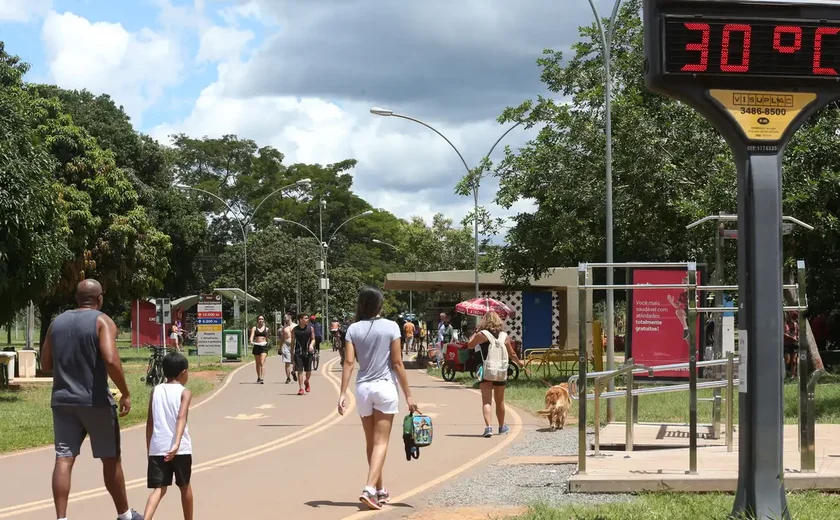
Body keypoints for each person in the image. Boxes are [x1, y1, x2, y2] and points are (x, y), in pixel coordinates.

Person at [40, 279, 144, 520]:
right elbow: (110, 358)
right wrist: (125, 392)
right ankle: (124, 514)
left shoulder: (57, 322)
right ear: (100, 298)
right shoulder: (102, 321)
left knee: (64, 459)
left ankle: (61, 518)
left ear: (77, 298)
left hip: (63, 401)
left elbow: (45, 364)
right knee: (110, 459)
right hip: (95, 401)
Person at [338, 286, 417, 511]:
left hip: (363, 389)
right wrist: (409, 395)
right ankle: (369, 489)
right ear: (380, 305)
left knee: (371, 442)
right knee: (381, 442)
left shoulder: (353, 329)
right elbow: (398, 363)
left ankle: (380, 490)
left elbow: (349, 363)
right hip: (384, 388)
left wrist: (342, 393)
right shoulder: (392, 326)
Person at [143, 353, 193, 520]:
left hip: (158, 448)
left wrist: (149, 448)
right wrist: (176, 443)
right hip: (180, 449)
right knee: (184, 486)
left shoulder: (155, 391)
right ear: (183, 372)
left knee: (159, 488)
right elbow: (181, 417)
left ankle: (146, 518)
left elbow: (150, 423)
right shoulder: (185, 392)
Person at [466, 311, 523, 437]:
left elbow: (470, 345)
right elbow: (512, 354)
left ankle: (488, 428)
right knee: (500, 401)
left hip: (486, 371)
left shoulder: (482, 335)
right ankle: (502, 427)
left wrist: (475, 332)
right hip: (501, 372)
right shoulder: (505, 336)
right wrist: (519, 363)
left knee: (486, 401)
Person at [293, 314, 316, 395]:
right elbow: (293, 342)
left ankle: (307, 381)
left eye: (307, 318)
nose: (307, 319)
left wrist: (311, 345)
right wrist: (291, 353)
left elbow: (313, 339)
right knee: (300, 370)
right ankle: (301, 388)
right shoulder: (295, 330)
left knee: (308, 370)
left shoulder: (310, 328)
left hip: (308, 352)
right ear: (300, 319)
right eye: (305, 318)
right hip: (298, 352)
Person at [249, 316, 270, 384]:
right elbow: (252, 336)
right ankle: (259, 376)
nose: (261, 320)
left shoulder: (266, 329)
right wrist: (251, 341)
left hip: (264, 346)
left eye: (262, 319)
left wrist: (267, 343)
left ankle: (262, 378)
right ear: (257, 320)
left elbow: (267, 338)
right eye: (259, 319)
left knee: (262, 362)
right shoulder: (254, 328)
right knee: (258, 363)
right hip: (257, 345)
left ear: (264, 320)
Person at [279, 314, 295, 384]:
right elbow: (282, 338)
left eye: (285, 317)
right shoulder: (284, 327)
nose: (284, 318)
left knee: (295, 361)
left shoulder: (295, 326)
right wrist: (280, 347)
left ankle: (293, 372)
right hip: (286, 345)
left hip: (295, 345)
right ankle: (288, 378)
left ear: (290, 317)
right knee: (287, 362)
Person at [784, 311, 800, 378]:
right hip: (787, 344)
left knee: (794, 360)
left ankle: (792, 376)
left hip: (794, 344)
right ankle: (785, 374)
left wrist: (798, 337)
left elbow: (798, 333)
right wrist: (791, 338)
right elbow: (783, 334)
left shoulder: (796, 325)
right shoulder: (785, 325)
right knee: (787, 360)